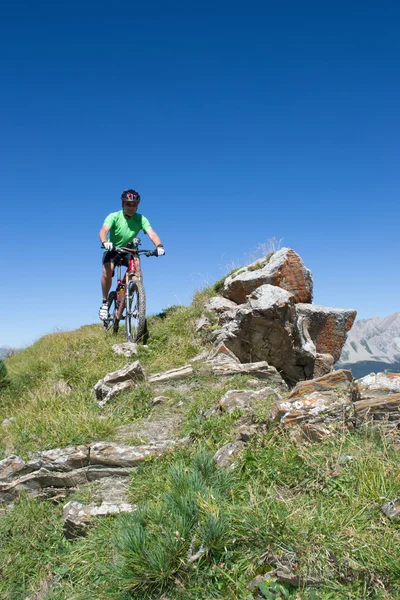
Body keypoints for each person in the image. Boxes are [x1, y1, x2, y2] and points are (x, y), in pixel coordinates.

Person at [98, 189, 165, 320]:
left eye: (134, 204)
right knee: (107, 271)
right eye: (128, 204)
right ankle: (105, 303)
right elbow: (103, 230)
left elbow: (151, 233)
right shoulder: (114, 216)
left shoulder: (141, 219)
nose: (131, 207)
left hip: (130, 250)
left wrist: (159, 246)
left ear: (137, 205)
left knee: (137, 270)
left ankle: (134, 297)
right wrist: (105, 241)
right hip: (113, 249)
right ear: (123, 204)